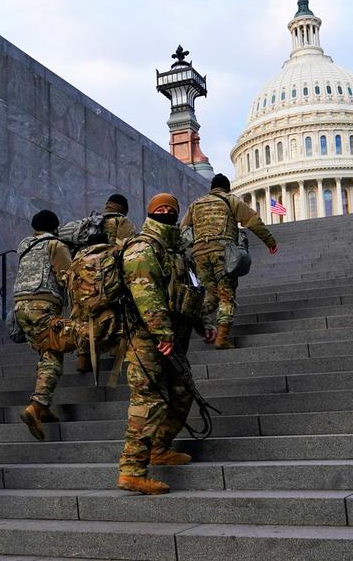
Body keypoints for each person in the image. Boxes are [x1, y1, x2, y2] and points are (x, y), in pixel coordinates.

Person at [117, 194, 199, 495]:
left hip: (172, 338)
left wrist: (205, 326)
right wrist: (161, 332)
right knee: (148, 401)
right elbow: (145, 292)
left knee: (182, 392)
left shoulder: (176, 250)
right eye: (159, 210)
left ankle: (160, 448)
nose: (165, 213)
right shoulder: (143, 247)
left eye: (170, 210)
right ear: (150, 214)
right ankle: (131, 471)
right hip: (145, 338)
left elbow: (187, 293)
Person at [181, 173, 278, 349]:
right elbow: (253, 220)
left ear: (212, 188)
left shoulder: (196, 204)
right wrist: (270, 242)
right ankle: (222, 338)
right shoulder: (230, 200)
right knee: (226, 295)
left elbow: (183, 229)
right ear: (227, 188)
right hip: (223, 253)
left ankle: (191, 316)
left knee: (211, 294)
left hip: (200, 254)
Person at [14, 210, 81, 440]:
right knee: (54, 354)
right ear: (55, 227)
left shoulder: (25, 245)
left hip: (20, 308)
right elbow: (67, 278)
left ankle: (44, 406)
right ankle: (36, 406)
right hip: (42, 305)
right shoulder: (55, 245)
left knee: (45, 352)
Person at [75, 194, 138, 373]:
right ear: (123, 208)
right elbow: (129, 248)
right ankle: (116, 348)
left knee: (84, 314)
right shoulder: (122, 222)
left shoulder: (91, 221)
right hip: (110, 277)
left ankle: (83, 356)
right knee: (118, 310)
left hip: (85, 277)